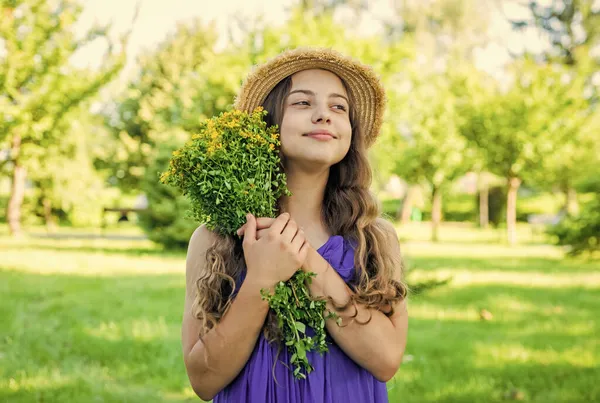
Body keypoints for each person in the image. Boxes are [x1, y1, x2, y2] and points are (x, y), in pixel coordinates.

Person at [181, 48, 408, 403]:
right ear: (268, 125)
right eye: (302, 103)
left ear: (350, 133)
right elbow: (203, 381)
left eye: (339, 107)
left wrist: (306, 260)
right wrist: (261, 279)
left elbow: (386, 360)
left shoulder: (374, 238)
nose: (323, 116)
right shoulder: (216, 240)